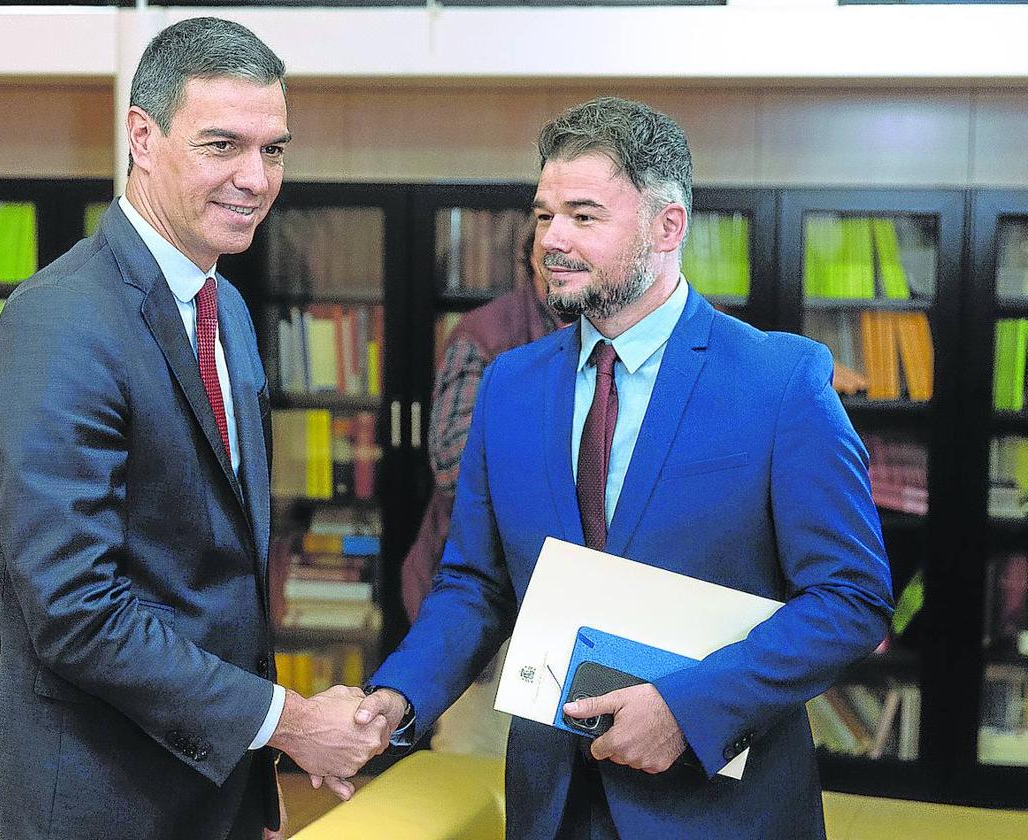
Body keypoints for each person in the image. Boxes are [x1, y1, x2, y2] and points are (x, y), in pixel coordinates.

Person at [354, 97, 894, 838]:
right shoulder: (509, 386)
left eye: (584, 215)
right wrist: (400, 696)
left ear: (666, 226)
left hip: (719, 810)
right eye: (544, 216)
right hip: (552, 805)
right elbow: (475, 584)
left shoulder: (780, 381)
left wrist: (688, 710)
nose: (553, 241)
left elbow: (851, 597)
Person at [0, 18, 386, 840]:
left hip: (211, 782)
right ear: (143, 138)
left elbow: (220, 573)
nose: (253, 178)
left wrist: (250, 772)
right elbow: (77, 610)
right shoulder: (57, 322)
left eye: (273, 150)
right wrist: (288, 721)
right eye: (222, 144)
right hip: (100, 797)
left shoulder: (221, 304)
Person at [400, 224, 564, 757]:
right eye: (551, 251)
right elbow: (451, 464)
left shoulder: (602, 331)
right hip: (485, 602)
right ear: (530, 261)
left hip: (567, 607)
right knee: (474, 764)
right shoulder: (483, 335)